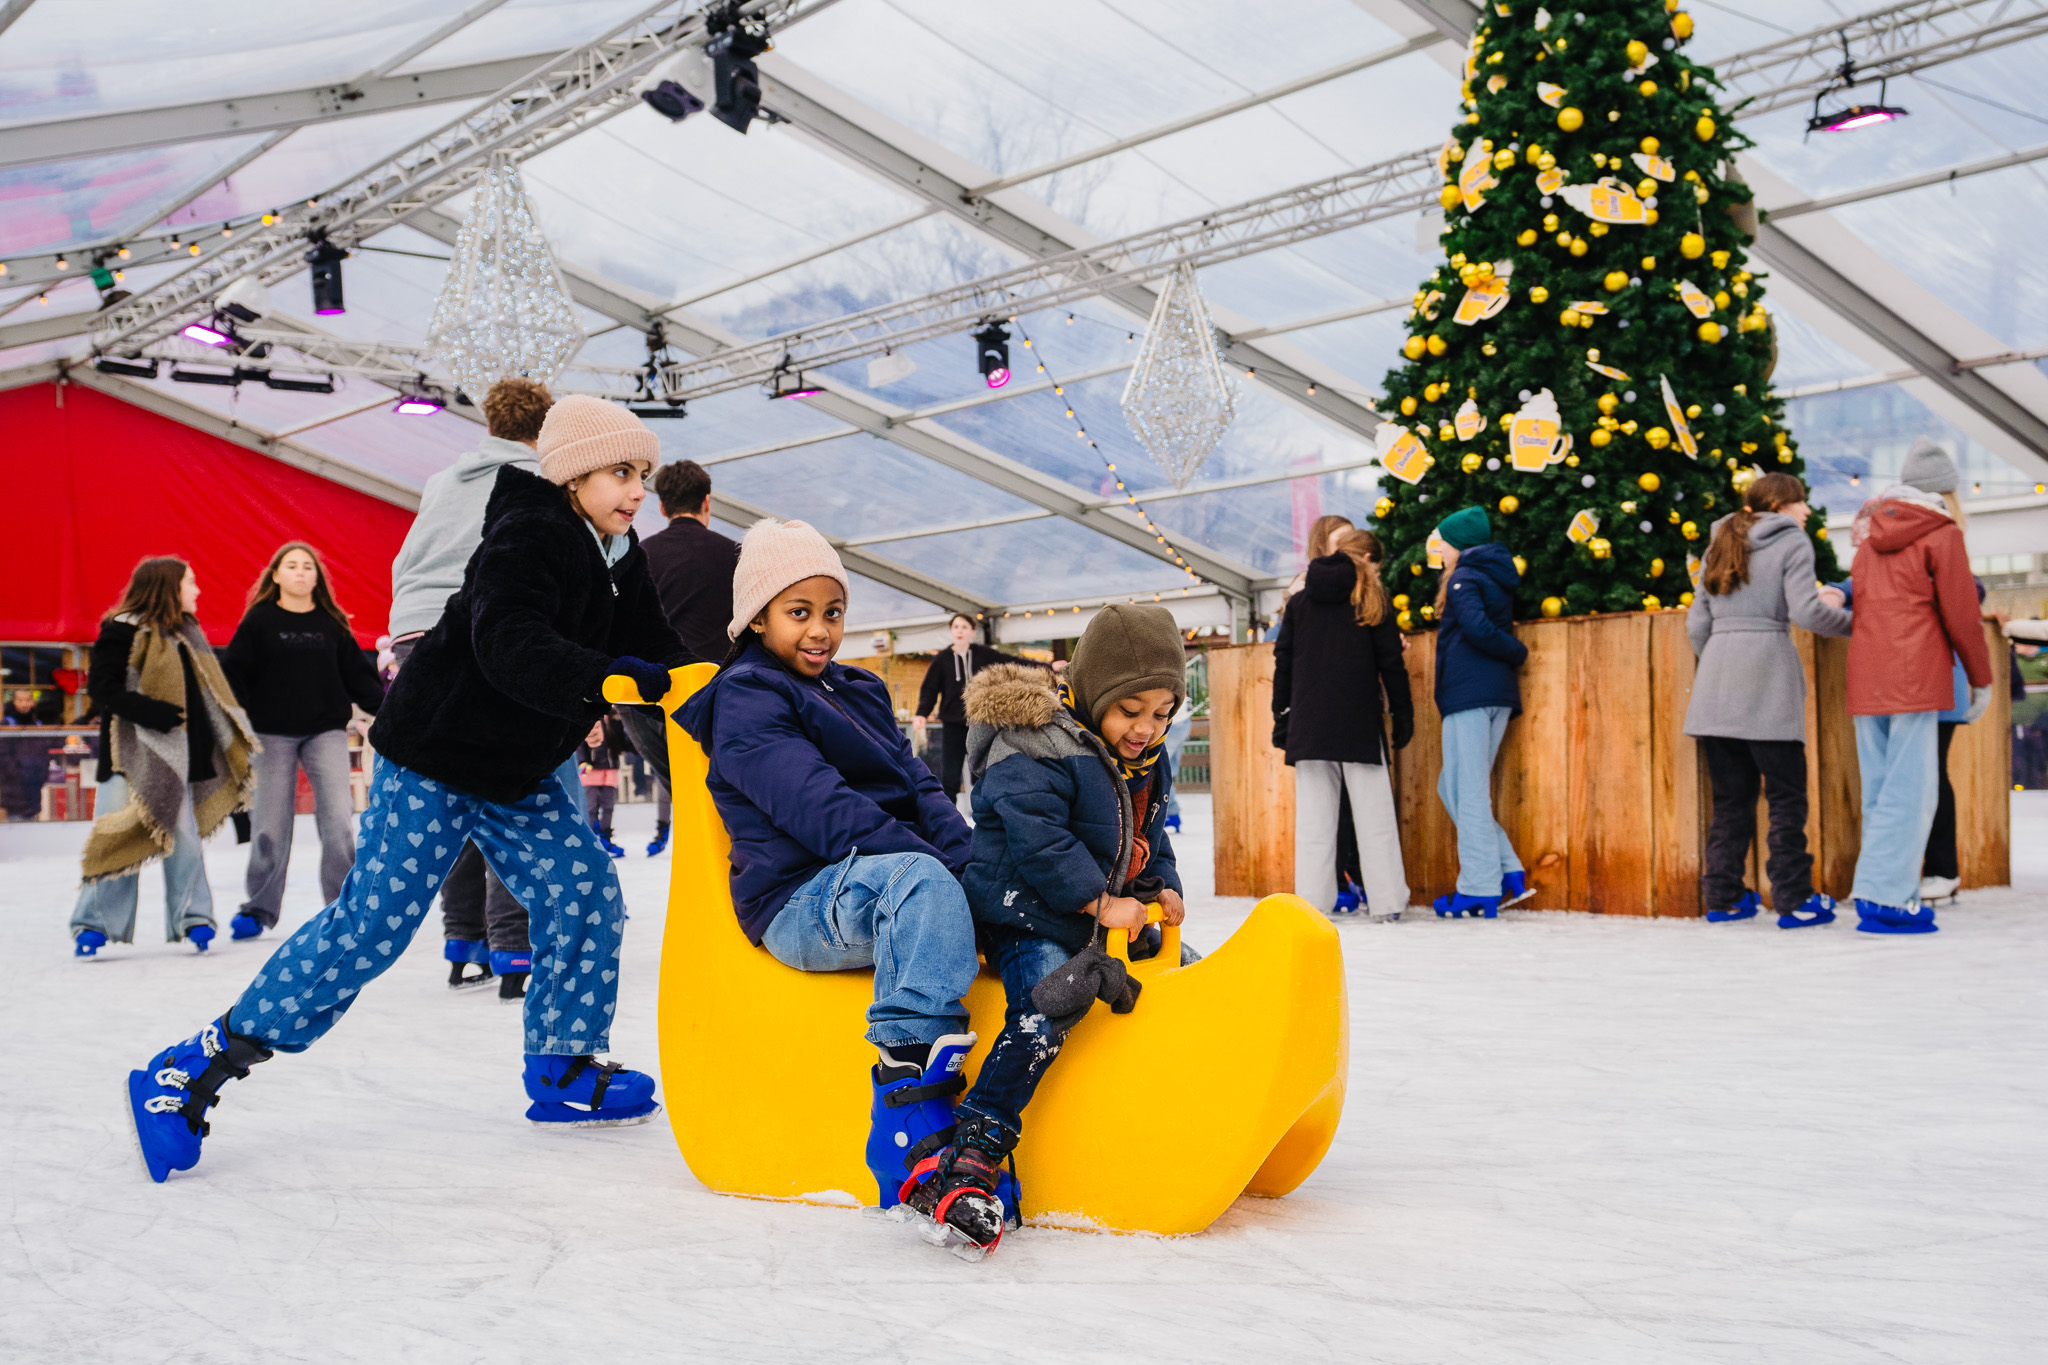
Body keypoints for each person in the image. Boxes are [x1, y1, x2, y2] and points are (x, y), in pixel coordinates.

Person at [125, 396, 690, 1183]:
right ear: (571, 473)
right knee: (374, 924)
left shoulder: (617, 549)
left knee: (584, 888)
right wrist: (605, 676)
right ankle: (196, 1063)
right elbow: (508, 641)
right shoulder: (528, 531)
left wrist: (714, 686)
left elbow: (658, 645)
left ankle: (562, 1063)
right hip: (435, 754)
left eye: (644, 474)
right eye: (621, 471)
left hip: (515, 768)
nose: (636, 489)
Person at [673, 519, 987, 1233]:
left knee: (987, 883)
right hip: (800, 896)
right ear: (757, 617)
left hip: (881, 876)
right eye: (799, 612)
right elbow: (821, 811)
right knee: (924, 883)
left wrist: (976, 869)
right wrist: (943, 872)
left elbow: (922, 787)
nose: (820, 630)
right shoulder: (745, 697)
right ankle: (911, 1121)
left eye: (833, 611)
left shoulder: (859, 688)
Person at [920, 604, 1195, 1256]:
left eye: (1163, 713)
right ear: (1095, 690)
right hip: (1025, 911)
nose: (1147, 727)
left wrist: (1162, 884)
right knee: (1048, 1005)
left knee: (1185, 976)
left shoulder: (1144, 757)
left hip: (1101, 918)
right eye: (1131, 709)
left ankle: (1187, 1112)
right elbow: (1039, 839)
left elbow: (1149, 834)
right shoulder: (1033, 743)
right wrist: (1099, 902)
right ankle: (975, 1147)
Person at [386, 377, 552, 993]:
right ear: (545, 429)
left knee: (457, 792)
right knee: (513, 793)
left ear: (490, 423)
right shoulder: (543, 481)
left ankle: (463, 939)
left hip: (415, 634)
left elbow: (405, 561)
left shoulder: (442, 481)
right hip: (482, 630)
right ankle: (514, 948)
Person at [1684, 474, 1852, 928]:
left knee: (1731, 801)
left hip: (1716, 687)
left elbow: (1697, 623)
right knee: (1786, 798)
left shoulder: (1721, 539)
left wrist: (1722, 656)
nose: (1807, 511)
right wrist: (1856, 623)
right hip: (1768, 682)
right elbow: (1806, 611)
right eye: (1801, 502)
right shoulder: (1791, 541)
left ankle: (1723, 898)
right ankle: (1795, 900)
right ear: (1779, 505)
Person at [69, 558, 256, 958]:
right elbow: (103, 688)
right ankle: (93, 924)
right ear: (168, 587)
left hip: (181, 757)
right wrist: (151, 712)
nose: (197, 590)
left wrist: (220, 747)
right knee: (120, 833)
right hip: (128, 757)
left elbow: (204, 700)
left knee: (185, 838)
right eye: (191, 582)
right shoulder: (120, 629)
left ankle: (196, 918)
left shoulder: (188, 635)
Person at [1842, 439, 1992, 935]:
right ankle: (1887, 900)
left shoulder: (1868, 533)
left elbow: (1860, 601)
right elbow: (1962, 616)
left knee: (1880, 790)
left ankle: (1880, 893)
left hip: (1867, 675)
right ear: (1946, 492)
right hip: (1916, 676)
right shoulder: (1941, 533)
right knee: (1911, 790)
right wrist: (1981, 679)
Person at [221, 542, 384, 943]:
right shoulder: (259, 620)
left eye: (307, 566)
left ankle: (343, 907)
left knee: (339, 821)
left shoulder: (331, 623)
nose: (300, 572)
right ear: (276, 575)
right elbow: (233, 673)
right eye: (291, 565)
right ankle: (258, 907)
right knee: (269, 825)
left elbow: (359, 677)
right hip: (270, 734)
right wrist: (237, 717)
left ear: (317, 578)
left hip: (324, 731)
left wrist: (390, 711)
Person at [1273, 528, 1414, 922]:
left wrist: (1281, 717)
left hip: (1308, 726)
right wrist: (1403, 713)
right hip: (1358, 724)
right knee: (1374, 818)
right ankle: (1387, 903)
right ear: (1365, 561)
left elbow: (1284, 662)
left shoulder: (1300, 602)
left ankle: (1312, 907)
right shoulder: (1370, 598)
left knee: (1314, 823)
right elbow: (1391, 662)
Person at [612, 458, 742, 841]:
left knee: (686, 800)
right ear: (707, 502)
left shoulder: (636, 556)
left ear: (662, 506)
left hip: (650, 701)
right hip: (719, 699)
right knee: (728, 806)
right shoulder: (737, 555)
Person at [1428, 506, 1529, 920]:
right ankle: (1507, 868)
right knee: (1452, 787)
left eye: (1444, 544)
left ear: (1460, 545)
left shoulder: (1464, 578)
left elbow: (1478, 629)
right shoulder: (1491, 574)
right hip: (1492, 694)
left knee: (1467, 791)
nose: (1440, 552)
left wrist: (1516, 651)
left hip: (1469, 693)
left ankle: (1479, 887)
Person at [913, 613, 1046, 803]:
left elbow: (1012, 662)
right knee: (950, 775)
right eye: (956, 627)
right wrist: (921, 713)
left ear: (972, 632)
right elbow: (930, 689)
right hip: (952, 724)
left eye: (964, 627)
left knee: (982, 772)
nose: (960, 631)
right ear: (951, 631)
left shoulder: (984, 654)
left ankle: (984, 812)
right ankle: (948, 815)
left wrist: (1048, 666)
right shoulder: (942, 659)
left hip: (979, 722)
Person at [577, 714, 625, 858]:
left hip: (610, 768)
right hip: (591, 768)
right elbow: (579, 741)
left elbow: (622, 740)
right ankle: (592, 839)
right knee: (591, 808)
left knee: (608, 806)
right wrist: (583, 761)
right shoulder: (589, 715)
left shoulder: (614, 719)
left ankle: (605, 837)